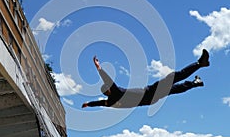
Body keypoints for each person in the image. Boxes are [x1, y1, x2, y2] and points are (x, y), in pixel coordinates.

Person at [82, 49, 210, 109]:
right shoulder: (116, 93)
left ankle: (195, 83)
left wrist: (89, 104)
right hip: (149, 92)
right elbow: (107, 80)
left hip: (150, 100)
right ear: (109, 91)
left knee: (173, 89)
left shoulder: (110, 102)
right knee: (172, 78)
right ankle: (199, 64)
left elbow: (100, 103)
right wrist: (98, 67)